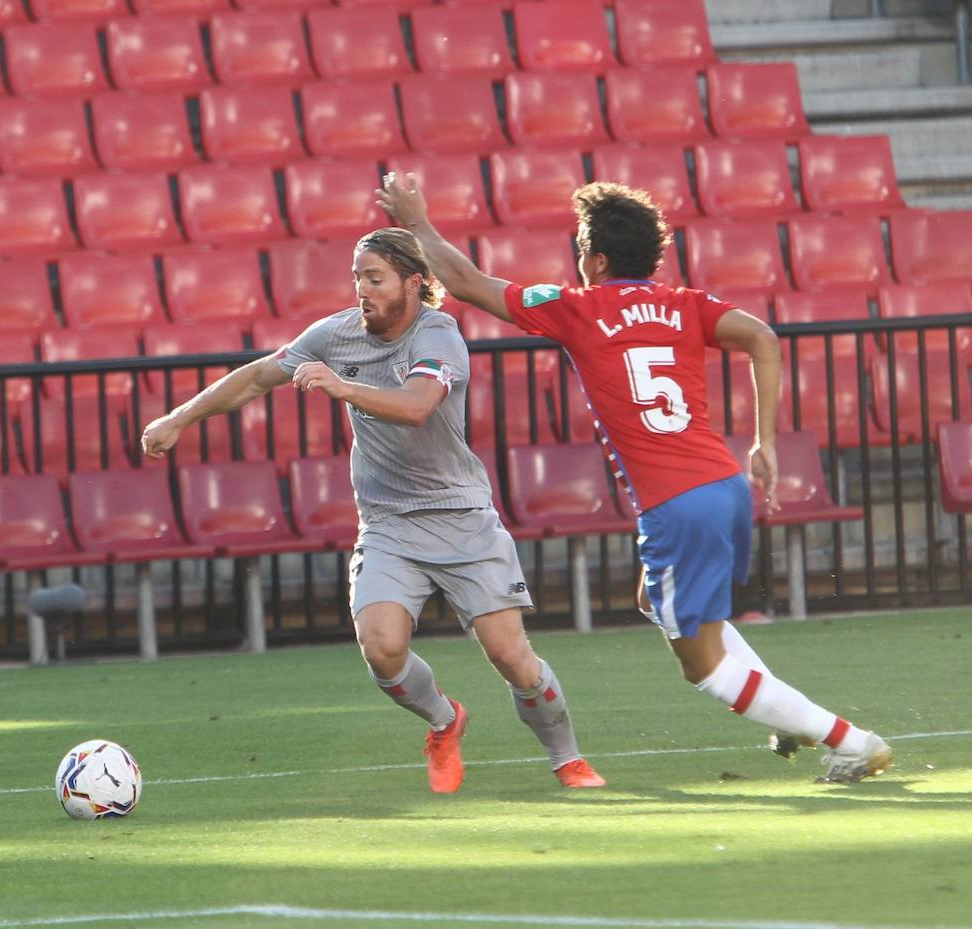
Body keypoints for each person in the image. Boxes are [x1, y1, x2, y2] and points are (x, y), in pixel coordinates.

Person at [378, 176, 892, 783]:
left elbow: (464, 284)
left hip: (676, 504)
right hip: (723, 487)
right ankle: (784, 713)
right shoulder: (687, 305)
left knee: (701, 665)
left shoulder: (578, 307)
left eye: (580, 249)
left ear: (595, 260)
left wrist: (416, 221)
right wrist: (766, 441)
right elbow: (763, 337)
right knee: (657, 599)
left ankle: (849, 740)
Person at [141, 227, 605, 792]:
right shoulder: (335, 334)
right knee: (383, 651)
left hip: (461, 516)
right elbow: (257, 378)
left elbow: (416, 406)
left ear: (414, 283)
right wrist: (177, 419)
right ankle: (444, 720)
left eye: (375, 278)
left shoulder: (440, 335)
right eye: (357, 277)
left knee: (511, 656)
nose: (362, 289)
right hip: (388, 524)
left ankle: (567, 758)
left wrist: (341, 388)